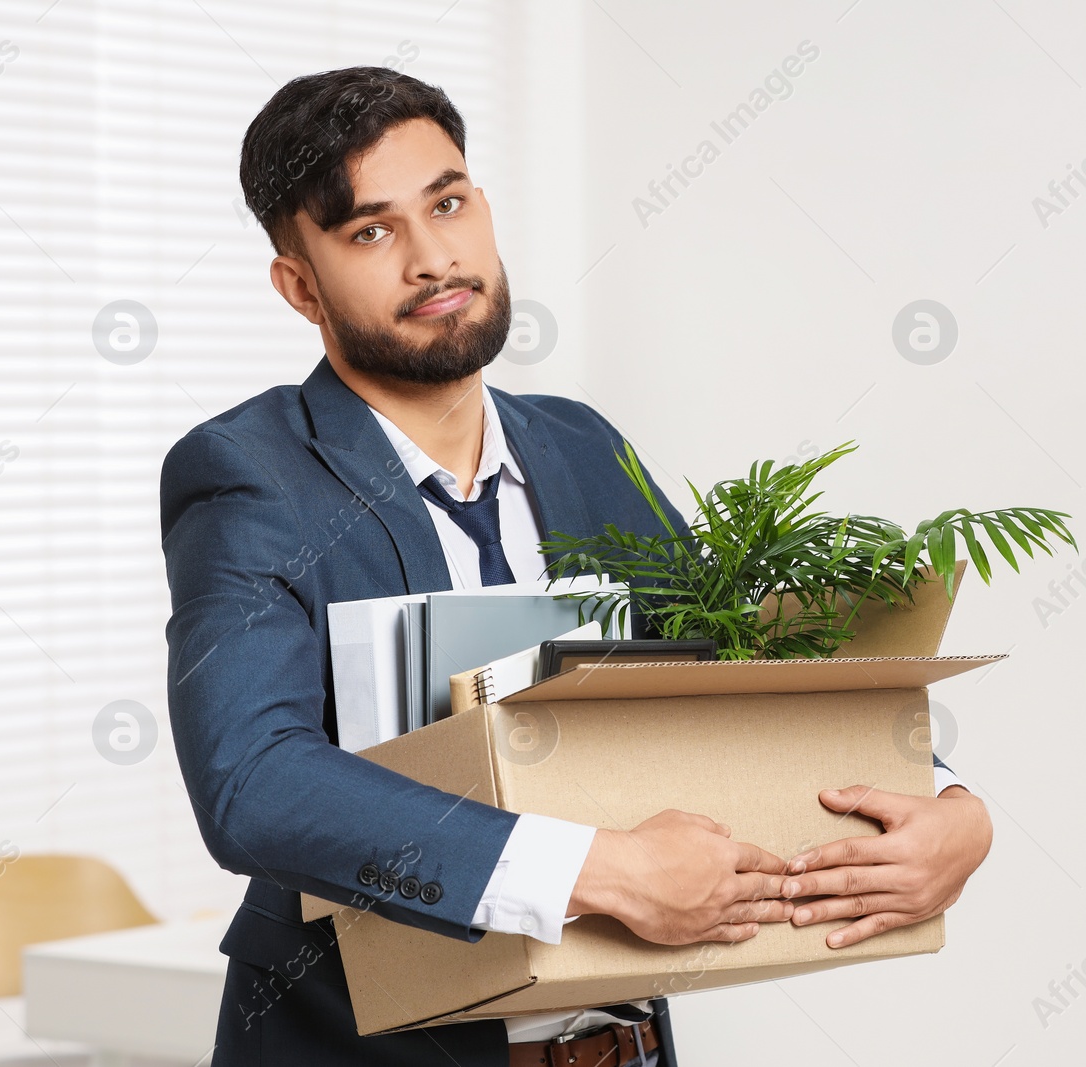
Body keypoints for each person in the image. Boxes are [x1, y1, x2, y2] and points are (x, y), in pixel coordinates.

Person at [159, 65, 993, 1067]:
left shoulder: (583, 448)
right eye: (370, 231)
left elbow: (727, 674)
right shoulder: (252, 475)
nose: (433, 257)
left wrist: (948, 806)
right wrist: (596, 868)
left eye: (449, 201)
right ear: (300, 284)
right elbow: (252, 781)